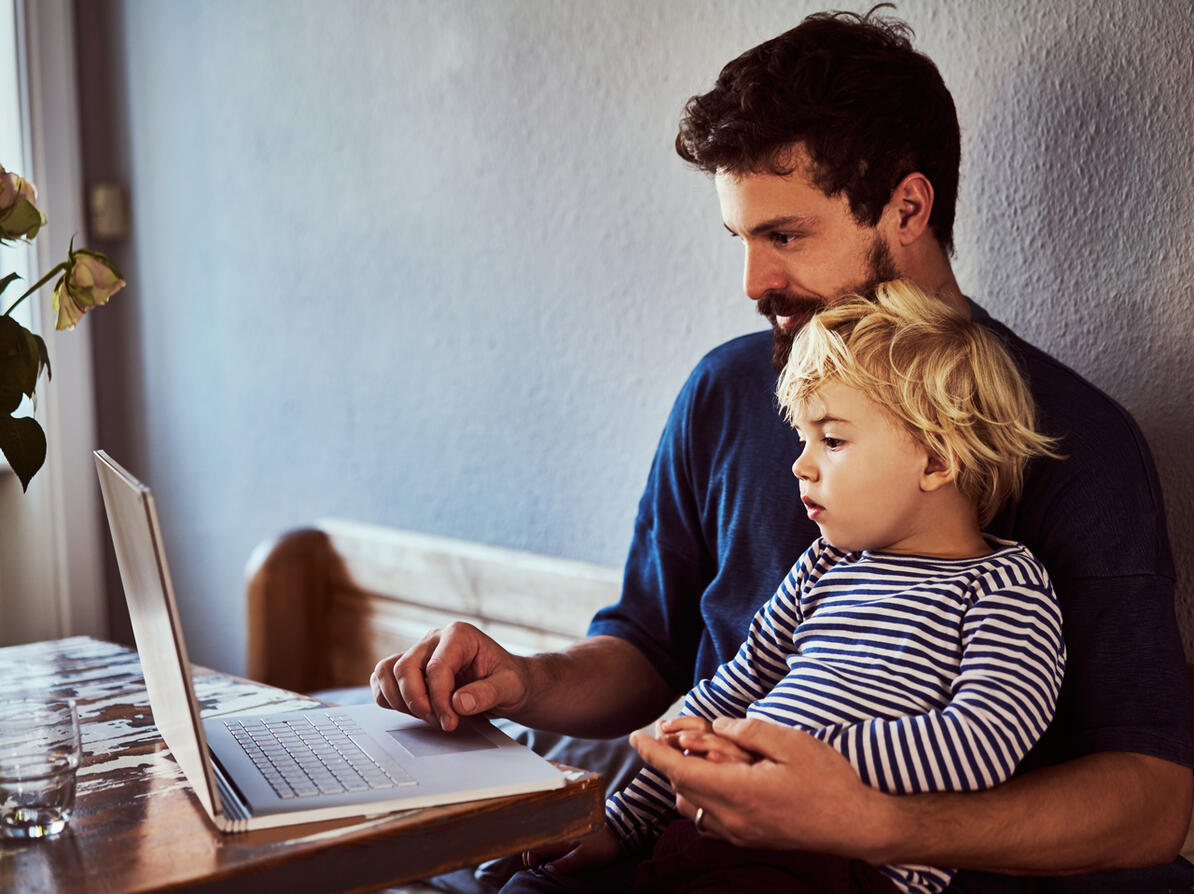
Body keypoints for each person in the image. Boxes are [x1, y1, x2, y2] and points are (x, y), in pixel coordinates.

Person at [372, 9, 1194, 891]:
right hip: (683, 842)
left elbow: (1150, 803)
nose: (754, 283)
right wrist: (522, 681)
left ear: (907, 207)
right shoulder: (727, 391)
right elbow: (651, 652)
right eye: (742, 238)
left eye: (786, 236)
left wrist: (875, 820)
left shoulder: (1068, 440)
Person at [513, 279, 1066, 894]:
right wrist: (620, 821)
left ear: (936, 461)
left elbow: (982, 742)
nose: (801, 464)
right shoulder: (824, 566)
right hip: (705, 835)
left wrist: (789, 757)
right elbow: (733, 688)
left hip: (836, 865)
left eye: (831, 440)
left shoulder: (1005, 590)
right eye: (803, 438)